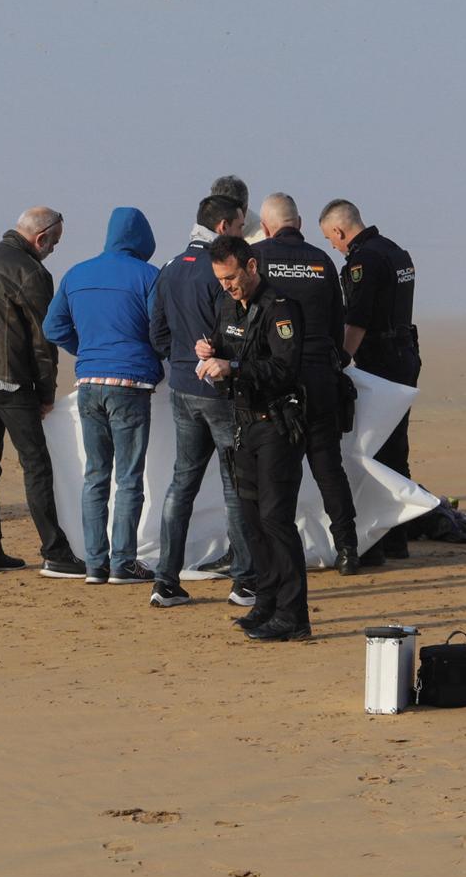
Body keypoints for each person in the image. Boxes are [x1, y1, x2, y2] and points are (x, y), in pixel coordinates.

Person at [196, 236, 311, 642]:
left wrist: (234, 367)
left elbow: (285, 367)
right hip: (242, 424)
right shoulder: (227, 305)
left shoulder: (280, 308)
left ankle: (294, 615)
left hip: (278, 424)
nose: (227, 285)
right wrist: (207, 352)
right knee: (249, 520)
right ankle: (265, 602)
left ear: (250, 266)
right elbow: (222, 346)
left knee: (275, 520)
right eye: (220, 279)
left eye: (231, 277)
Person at [0, 208, 87, 578]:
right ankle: (55, 551)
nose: (53, 251)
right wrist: (46, 392)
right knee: (36, 465)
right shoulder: (31, 272)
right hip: (11, 381)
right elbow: (42, 339)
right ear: (41, 238)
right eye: (55, 243)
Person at [147, 193, 257, 609]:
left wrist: (180, 360)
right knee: (236, 486)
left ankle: (165, 579)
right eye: (241, 224)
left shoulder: (171, 267)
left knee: (182, 484)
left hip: (182, 386)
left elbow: (157, 331)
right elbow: (233, 329)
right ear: (225, 226)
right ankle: (244, 581)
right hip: (219, 387)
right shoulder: (220, 271)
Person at [44, 207, 162, 586]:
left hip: (88, 384)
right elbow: (161, 331)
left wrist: (87, 350)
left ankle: (95, 562)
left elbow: (53, 326)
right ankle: (123, 562)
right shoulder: (148, 276)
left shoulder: (77, 274)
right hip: (129, 385)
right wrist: (150, 359)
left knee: (96, 475)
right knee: (128, 478)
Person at [254, 193, 360, 574]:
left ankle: (277, 552)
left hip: (277, 379)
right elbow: (336, 324)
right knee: (329, 468)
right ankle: (348, 548)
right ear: (298, 223)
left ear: (266, 227)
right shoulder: (323, 260)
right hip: (320, 376)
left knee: (276, 468)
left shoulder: (259, 259)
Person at [319, 199, 419, 562]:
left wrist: (341, 361)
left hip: (381, 360)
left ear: (339, 231)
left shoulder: (364, 261)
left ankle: (381, 540)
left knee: (373, 450)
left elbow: (357, 319)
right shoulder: (396, 252)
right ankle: (397, 539)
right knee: (396, 449)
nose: (333, 246)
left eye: (331, 239)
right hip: (406, 354)